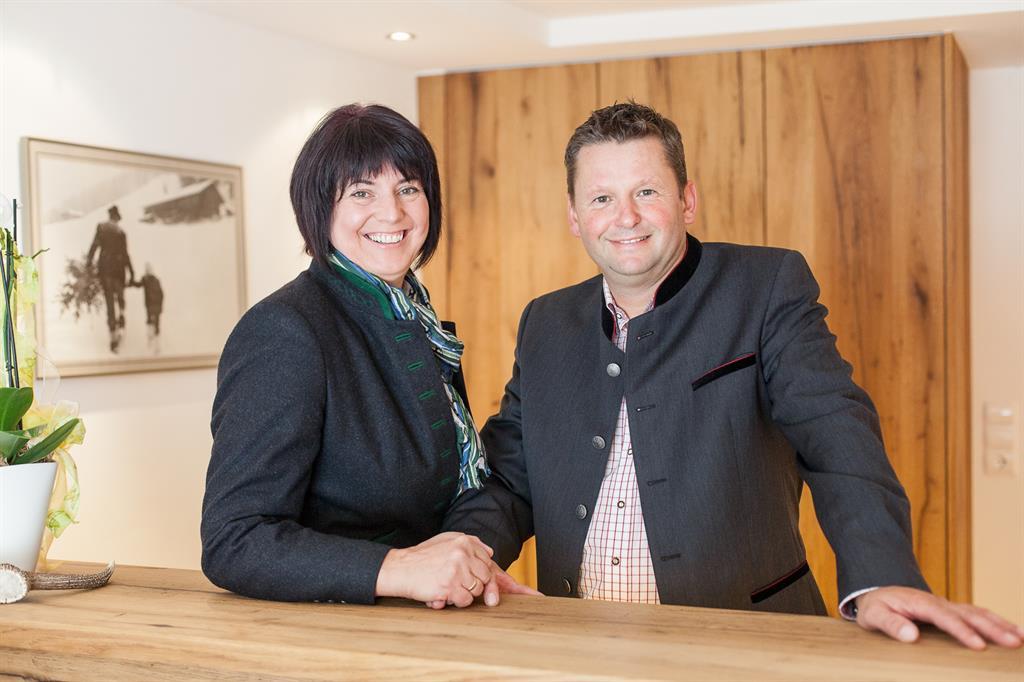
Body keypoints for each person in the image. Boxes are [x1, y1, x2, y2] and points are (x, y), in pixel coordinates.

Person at [443, 102, 1024, 649]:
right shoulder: (545, 321)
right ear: (575, 216)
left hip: (752, 642)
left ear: (687, 199)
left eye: (647, 191)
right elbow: (510, 477)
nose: (626, 217)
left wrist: (882, 577)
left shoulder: (767, 287)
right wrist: (456, 554)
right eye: (601, 198)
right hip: (580, 645)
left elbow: (836, 435)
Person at [201, 104, 537, 607]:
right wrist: (401, 569)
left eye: (409, 189)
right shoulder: (285, 329)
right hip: (330, 633)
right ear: (320, 208)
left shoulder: (414, 317)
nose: (392, 213)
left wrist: (465, 559)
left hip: (419, 624)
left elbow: (450, 493)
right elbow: (234, 540)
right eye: (362, 192)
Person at [86, 204, 134, 352]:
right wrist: (131, 272)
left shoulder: (102, 228)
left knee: (110, 303)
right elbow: (125, 254)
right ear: (117, 218)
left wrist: (88, 263)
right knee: (120, 298)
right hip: (118, 271)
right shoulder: (121, 233)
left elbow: (94, 246)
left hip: (106, 271)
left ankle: (113, 336)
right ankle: (121, 319)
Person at [136, 263, 164, 353]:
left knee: (150, 323)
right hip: (156, 305)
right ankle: (156, 346)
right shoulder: (156, 280)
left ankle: (151, 343)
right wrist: (161, 306)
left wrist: (128, 283)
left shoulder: (146, 279)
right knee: (156, 325)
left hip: (150, 305)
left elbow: (138, 285)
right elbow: (161, 294)